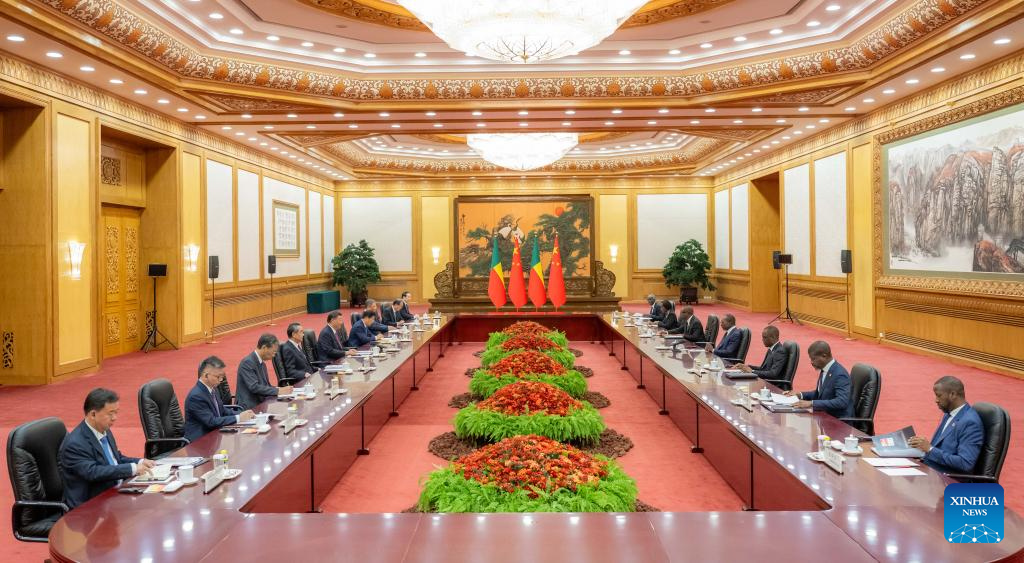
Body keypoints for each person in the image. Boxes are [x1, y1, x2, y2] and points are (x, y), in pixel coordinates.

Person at [59, 388, 155, 508]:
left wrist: (140, 461)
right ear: (93, 414)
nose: (115, 418)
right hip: (91, 505)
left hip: (115, 493)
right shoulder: (75, 444)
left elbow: (116, 458)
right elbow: (93, 472)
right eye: (110, 413)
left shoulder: (104, 429)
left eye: (116, 412)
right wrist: (132, 468)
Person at [908, 376, 984, 474]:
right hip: (932, 470)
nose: (936, 400)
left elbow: (965, 463)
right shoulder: (949, 413)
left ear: (952, 394)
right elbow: (939, 448)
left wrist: (930, 449)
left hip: (948, 480)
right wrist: (921, 450)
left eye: (938, 395)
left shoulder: (970, 423)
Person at [184, 356, 254, 442]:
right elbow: (211, 422)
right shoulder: (196, 396)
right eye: (218, 377)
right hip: (199, 442)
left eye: (222, 377)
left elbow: (222, 410)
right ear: (206, 376)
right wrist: (238, 418)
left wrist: (243, 414)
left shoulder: (212, 389)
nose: (221, 380)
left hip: (214, 436)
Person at [785, 341, 853, 418]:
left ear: (824, 356)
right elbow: (820, 394)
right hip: (825, 415)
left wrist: (811, 403)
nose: (811, 362)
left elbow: (842, 402)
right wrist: (800, 395)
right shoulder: (825, 370)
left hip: (839, 421)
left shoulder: (840, 374)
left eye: (813, 359)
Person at [236, 334, 292, 410]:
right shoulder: (247, 363)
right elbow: (254, 387)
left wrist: (282, 389)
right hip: (249, 407)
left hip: (261, 402)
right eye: (273, 352)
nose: (274, 355)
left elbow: (266, 386)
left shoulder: (262, 363)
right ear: (264, 347)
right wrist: (278, 390)